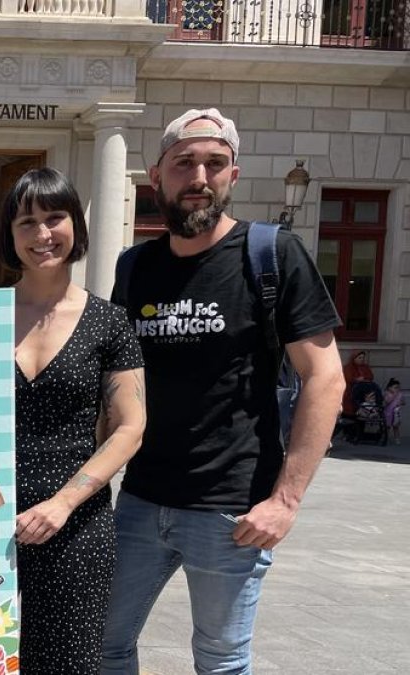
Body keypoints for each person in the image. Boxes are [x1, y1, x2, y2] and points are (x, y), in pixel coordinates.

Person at [102, 108, 345, 675]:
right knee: (105, 645)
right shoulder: (135, 267)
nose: (199, 177)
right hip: (139, 500)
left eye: (215, 163)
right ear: (156, 175)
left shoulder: (272, 255)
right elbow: (114, 380)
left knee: (220, 660)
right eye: (184, 163)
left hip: (232, 509)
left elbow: (325, 377)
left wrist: (284, 502)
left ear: (233, 175)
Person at [0, 168, 147, 674]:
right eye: (26, 222)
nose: (42, 234)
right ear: (10, 235)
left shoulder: (110, 322)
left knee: (68, 665)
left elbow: (130, 426)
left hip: (75, 529)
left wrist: (61, 504)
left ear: (76, 226)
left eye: (54, 217)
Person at [342, 350, 375, 415]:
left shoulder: (365, 367)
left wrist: (364, 379)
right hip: (350, 393)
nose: (362, 359)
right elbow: (348, 378)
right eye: (360, 358)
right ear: (354, 358)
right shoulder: (348, 367)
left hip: (363, 393)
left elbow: (370, 376)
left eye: (363, 358)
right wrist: (356, 379)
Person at [384, 378, 402, 443]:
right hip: (388, 413)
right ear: (389, 388)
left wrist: (401, 403)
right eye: (395, 387)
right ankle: (386, 438)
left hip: (396, 413)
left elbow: (404, 402)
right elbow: (387, 402)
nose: (397, 389)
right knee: (388, 426)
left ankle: (397, 438)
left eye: (398, 388)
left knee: (396, 427)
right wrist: (393, 395)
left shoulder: (400, 394)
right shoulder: (387, 394)